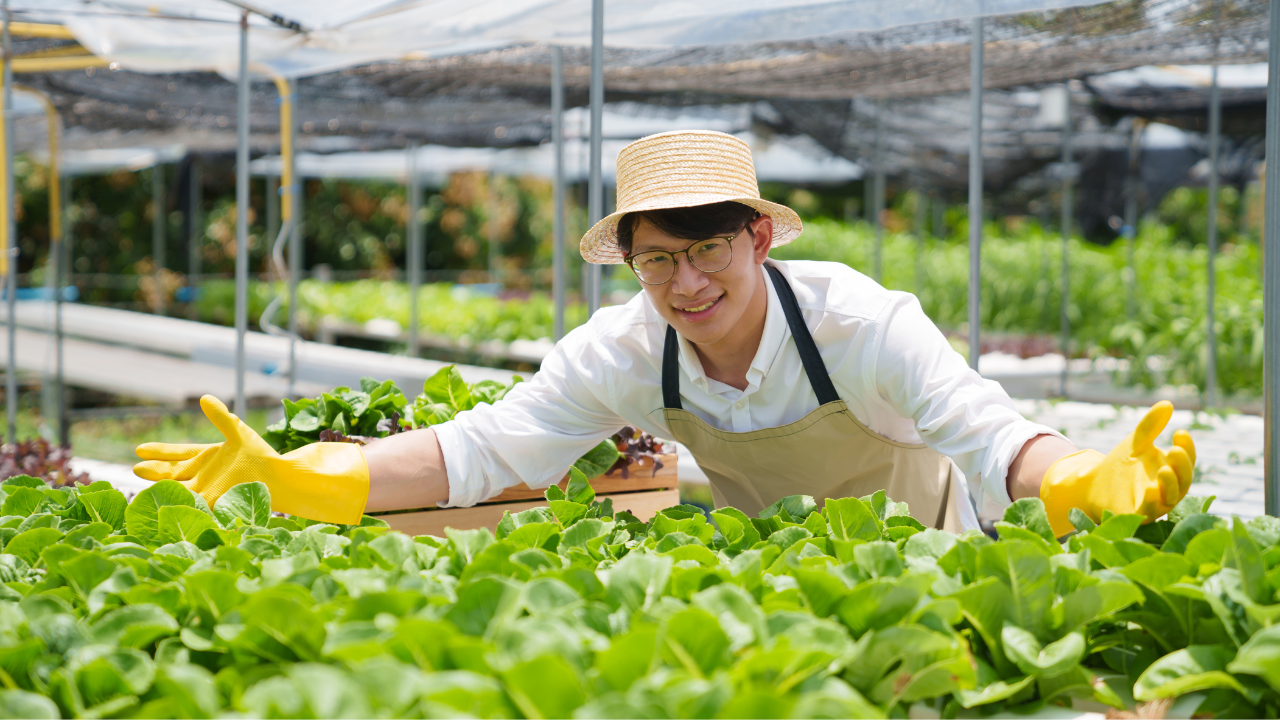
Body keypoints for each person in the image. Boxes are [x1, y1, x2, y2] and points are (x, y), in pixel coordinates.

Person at [134, 130, 1196, 538]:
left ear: (757, 237)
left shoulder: (863, 324)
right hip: (760, 580)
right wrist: (308, 476)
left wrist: (1077, 479)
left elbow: (987, 432)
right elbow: (480, 450)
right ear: (631, 260)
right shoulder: (617, 352)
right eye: (655, 261)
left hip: (915, 572)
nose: (683, 285)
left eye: (706, 253)